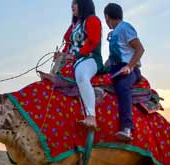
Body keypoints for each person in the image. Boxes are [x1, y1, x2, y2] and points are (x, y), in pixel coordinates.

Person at [103, 3, 145, 141]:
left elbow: (140, 49)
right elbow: (113, 57)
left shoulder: (125, 28)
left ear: (107, 16)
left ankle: (126, 128)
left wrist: (129, 66)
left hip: (129, 69)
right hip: (115, 69)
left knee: (122, 87)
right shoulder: (114, 33)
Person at [60, 0, 103, 129]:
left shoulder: (92, 20)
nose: (72, 6)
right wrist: (62, 56)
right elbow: (68, 45)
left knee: (82, 76)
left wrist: (75, 56)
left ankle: (91, 116)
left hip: (89, 59)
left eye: (76, 3)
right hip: (72, 61)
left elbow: (92, 41)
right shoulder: (74, 25)